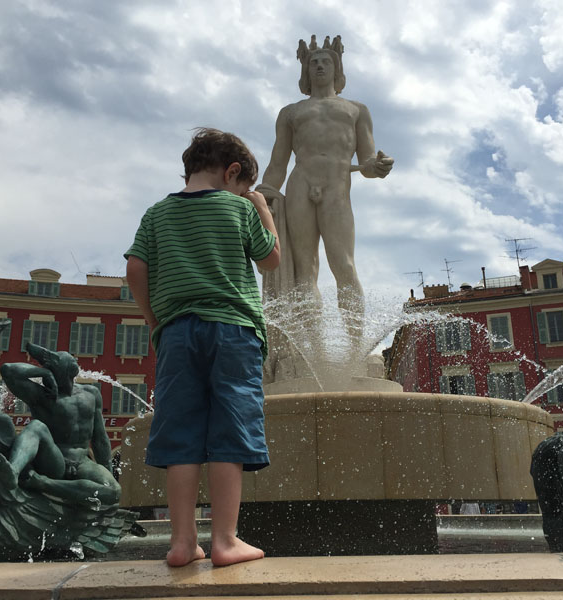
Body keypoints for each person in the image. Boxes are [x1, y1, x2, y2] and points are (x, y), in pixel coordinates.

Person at [125, 128, 280, 567]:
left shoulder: (156, 213)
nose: (247, 195)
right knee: (231, 429)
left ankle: (181, 543)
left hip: (176, 332)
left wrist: (157, 322)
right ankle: (226, 542)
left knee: (181, 434)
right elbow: (271, 260)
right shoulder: (238, 207)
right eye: (245, 186)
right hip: (233, 331)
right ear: (233, 173)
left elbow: (136, 270)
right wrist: (262, 208)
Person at [258, 35, 393, 358]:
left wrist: (379, 166)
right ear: (305, 69)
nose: (319, 65)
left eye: (326, 61)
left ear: (337, 68)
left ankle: (356, 347)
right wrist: (261, 196)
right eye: (313, 61)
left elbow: (368, 161)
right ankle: (314, 352)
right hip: (299, 186)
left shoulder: (356, 110)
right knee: (305, 270)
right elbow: (278, 163)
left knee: (344, 265)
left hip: (336, 188)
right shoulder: (290, 113)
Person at [0, 342, 121, 508]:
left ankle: (41, 483)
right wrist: (42, 372)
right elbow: (7, 370)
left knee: (113, 492)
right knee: (36, 427)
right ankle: (11, 472)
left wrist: (109, 473)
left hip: (83, 462)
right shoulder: (43, 395)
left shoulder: (91, 394)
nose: (73, 360)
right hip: (56, 461)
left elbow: (100, 439)